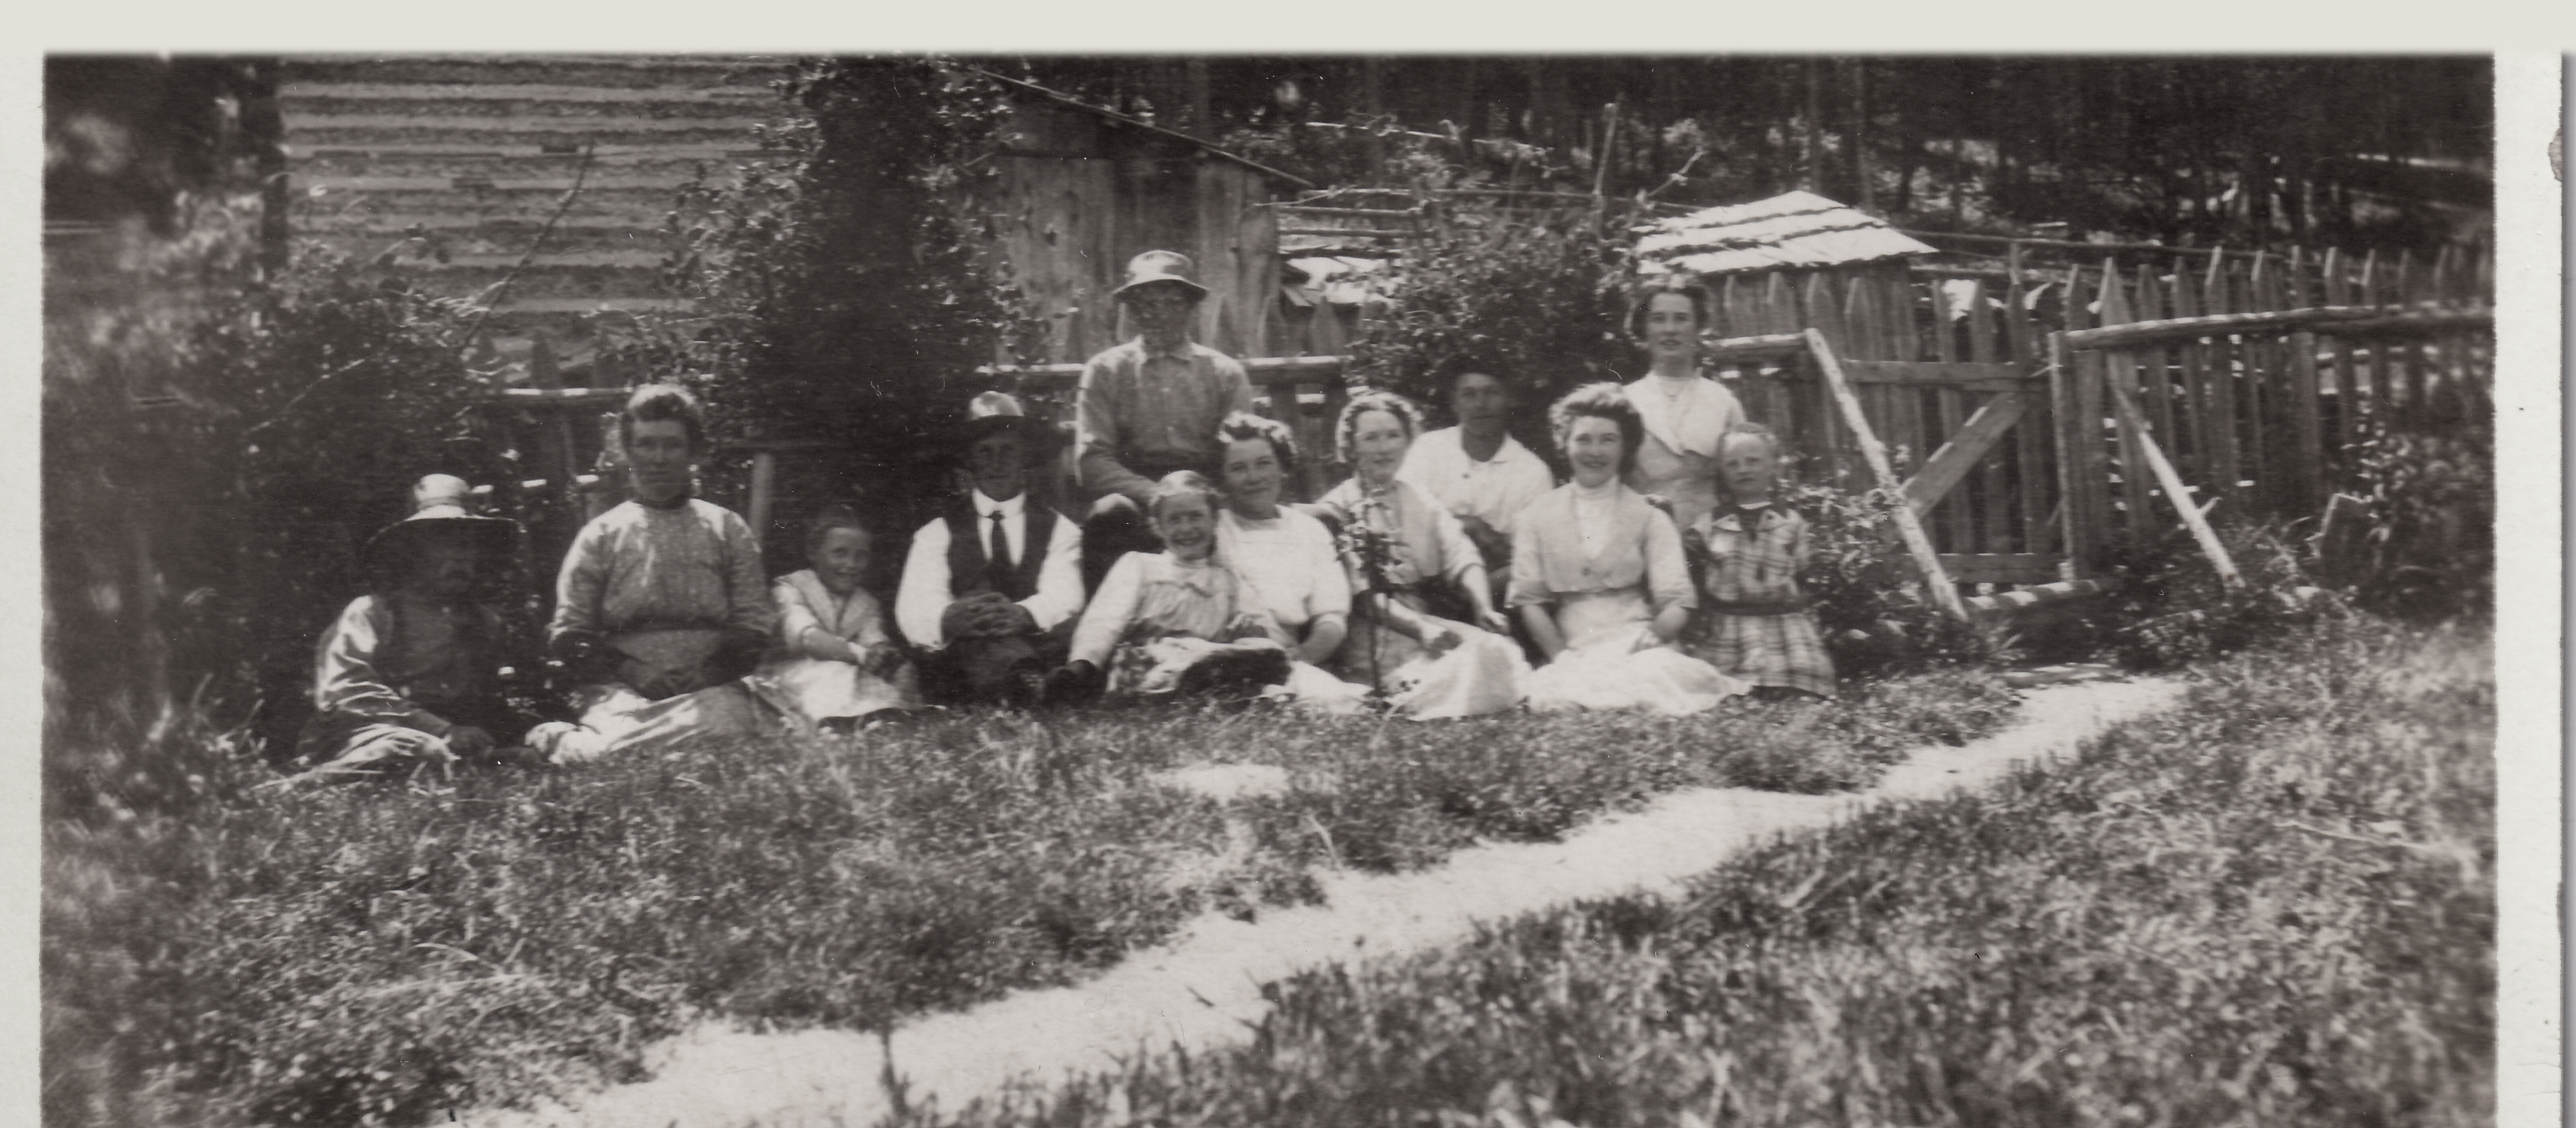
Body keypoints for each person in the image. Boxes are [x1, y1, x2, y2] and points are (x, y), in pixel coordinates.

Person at [531, 383, 778, 763]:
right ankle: (564, 740)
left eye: (672, 445)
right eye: (646, 444)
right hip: (626, 688)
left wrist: (711, 672)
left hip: (709, 688)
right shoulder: (602, 533)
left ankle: (653, 746)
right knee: (610, 753)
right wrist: (634, 672)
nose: (658, 458)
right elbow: (570, 633)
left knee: (733, 730)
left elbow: (754, 623)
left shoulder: (726, 527)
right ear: (628, 452)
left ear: (692, 451)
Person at [273, 474, 531, 785]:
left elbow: (483, 700)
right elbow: (347, 693)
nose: (461, 555)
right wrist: (438, 729)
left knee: (520, 757)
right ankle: (304, 784)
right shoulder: (372, 614)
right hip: (361, 734)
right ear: (413, 552)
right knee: (417, 749)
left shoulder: (484, 623)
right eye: (444, 541)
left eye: (468, 543)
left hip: (447, 738)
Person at [1510, 383, 1748, 715]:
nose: (1595, 451)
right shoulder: (1536, 516)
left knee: (1652, 675)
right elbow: (1530, 601)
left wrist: (1656, 634)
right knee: (1558, 690)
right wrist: (1560, 655)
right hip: (1574, 644)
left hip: (1635, 640)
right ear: (1565, 444)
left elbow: (1678, 600)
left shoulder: (1649, 516)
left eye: (1608, 440)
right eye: (1584, 439)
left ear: (1625, 448)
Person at [1315, 390, 1527, 719]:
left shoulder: (1418, 497)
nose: (1384, 448)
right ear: (1352, 446)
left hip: (1423, 616)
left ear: (1407, 441)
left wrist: (1483, 606)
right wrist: (1420, 629)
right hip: (1373, 628)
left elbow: (1459, 551)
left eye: (1393, 436)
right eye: (1371, 438)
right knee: (1433, 674)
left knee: (1498, 650)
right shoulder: (1339, 507)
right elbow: (1363, 594)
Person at [1074, 250, 1255, 592]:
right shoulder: (1105, 371)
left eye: (1167, 303)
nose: (1152, 315)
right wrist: (1157, 496)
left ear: (1188, 307)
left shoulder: (1223, 373)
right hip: (1137, 496)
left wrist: (1199, 500)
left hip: (1208, 496)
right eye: (1141, 304)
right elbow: (1093, 461)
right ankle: (1107, 630)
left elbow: (1241, 453)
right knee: (1108, 514)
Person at [895, 391, 1086, 708]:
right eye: (985, 453)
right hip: (965, 655)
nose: (996, 464)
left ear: (1025, 458)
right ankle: (1028, 685)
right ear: (969, 463)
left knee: (1061, 626)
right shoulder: (936, 533)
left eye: (1007, 452)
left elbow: (1064, 592)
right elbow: (915, 604)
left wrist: (1023, 613)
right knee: (972, 609)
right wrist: (948, 617)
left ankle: (1021, 682)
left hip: (1033, 641)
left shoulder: (1058, 529)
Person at [1046, 471, 1291, 704]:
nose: (1186, 529)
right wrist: (1081, 666)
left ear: (1215, 519)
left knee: (1265, 652)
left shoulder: (1227, 580)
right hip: (1145, 664)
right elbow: (1104, 620)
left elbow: (1264, 628)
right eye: (1174, 519)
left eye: (1196, 516)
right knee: (1190, 659)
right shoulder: (1140, 565)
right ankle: (1213, 686)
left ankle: (1218, 687)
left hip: (1206, 660)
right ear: (1158, 527)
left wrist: (1251, 630)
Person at [1209, 412, 1371, 713]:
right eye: (1238, 468)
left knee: (1340, 704)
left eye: (1264, 463)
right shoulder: (1214, 529)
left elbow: (1331, 619)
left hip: (1290, 654)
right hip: (1223, 652)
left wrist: (1302, 655)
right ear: (1223, 478)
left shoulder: (1310, 530)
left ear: (1283, 467)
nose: (1254, 477)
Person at [1683, 425, 1838, 700]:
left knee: (1805, 673)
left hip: (1783, 625)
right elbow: (1693, 574)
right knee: (1715, 684)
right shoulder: (1708, 525)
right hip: (1729, 625)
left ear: (1773, 466)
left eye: (1753, 461)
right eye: (1733, 464)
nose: (1743, 469)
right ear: (1722, 473)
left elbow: (1803, 574)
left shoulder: (1791, 523)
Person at [761, 505, 923, 731]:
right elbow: (809, 639)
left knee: (894, 675)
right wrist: (861, 654)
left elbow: (873, 640)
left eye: (861, 556)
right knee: (833, 673)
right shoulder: (790, 588)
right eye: (840, 553)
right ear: (813, 553)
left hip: (847, 672)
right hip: (789, 676)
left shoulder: (866, 603)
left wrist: (884, 655)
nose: (851, 565)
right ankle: (835, 722)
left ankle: (888, 717)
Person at [1396, 364, 1557, 590]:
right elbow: (1404, 520)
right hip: (1424, 584)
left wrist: (1477, 590)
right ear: (1454, 403)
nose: (1480, 404)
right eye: (1469, 394)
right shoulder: (1428, 449)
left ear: (1509, 399)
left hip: (1498, 592)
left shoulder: (1533, 472)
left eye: (1492, 392)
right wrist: (1472, 526)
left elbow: (1530, 561)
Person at [1623, 282, 1747, 531]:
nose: (1670, 330)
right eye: (1658, 319)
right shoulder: (1625, 401)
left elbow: (1744, 487)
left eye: (1681, 319)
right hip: (1640, 540)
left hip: (1713, 542)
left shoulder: (1722, 402)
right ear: (1644, 329)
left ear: (1698, 328)